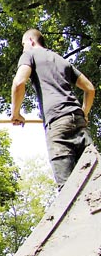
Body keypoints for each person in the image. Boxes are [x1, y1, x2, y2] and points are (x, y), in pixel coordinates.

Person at [11, 28, 95, 188]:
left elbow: (19, 83)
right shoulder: (61, 60)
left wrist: (15, 113)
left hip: (57, 125)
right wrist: (84, 113)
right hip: (78, 121)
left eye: (23, 44)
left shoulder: (29, 55)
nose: (23, 48)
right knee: (95, 179)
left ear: (30, 41)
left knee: (68, 190)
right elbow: (90, 89)